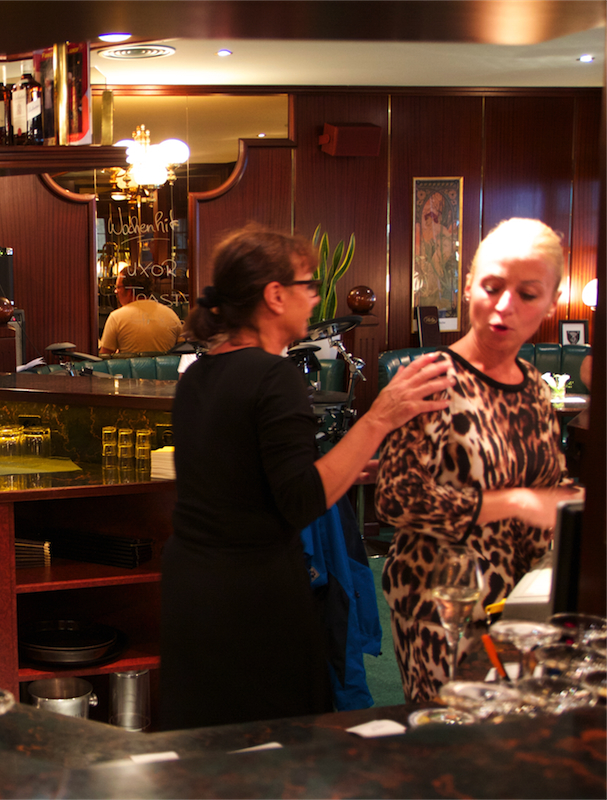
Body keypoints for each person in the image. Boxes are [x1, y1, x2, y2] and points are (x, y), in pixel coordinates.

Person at [160, 224, 453, 730]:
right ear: (275, 295)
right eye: (308, 284)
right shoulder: (274, 377)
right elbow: (299, 501)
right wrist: (380, 416)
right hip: (253, 599)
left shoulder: (198, 375)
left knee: (205, 748)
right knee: (278, 746)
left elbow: (248, 481)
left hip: (192, 590)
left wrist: (346, 468)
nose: (316, 297)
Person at [376, 218, 585, 703]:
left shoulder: (534, 386)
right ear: (469, 285)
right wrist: (513, 502)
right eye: (492, 287)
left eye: (527, 294)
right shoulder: (429, 378)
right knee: (449, 737)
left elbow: (547, 493)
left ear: (551, 302)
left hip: (520, 606)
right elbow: (393, 499)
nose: (505, 306)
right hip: (440, 606)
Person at [98, 269, 182, 354]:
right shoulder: (171, 315)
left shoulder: (116, 318)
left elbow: (105, 356)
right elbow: (183, 350)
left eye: (118, 287)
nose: (116, 291)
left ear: (129, 289)